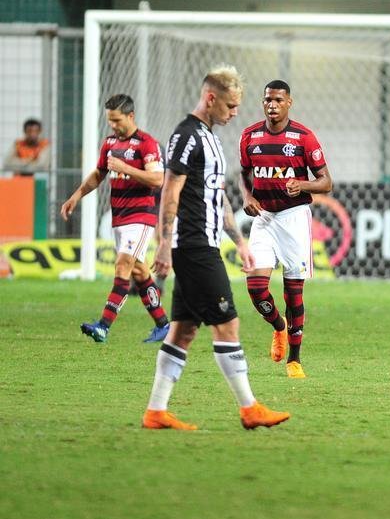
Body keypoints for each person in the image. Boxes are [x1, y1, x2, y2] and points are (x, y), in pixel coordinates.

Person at [143, 64, 289, 431]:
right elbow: (170, 191)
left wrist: (239, 241)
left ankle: (156, 411)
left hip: (205, 242)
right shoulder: (187, 135)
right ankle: (249, 408)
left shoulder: (210, 137)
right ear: (211, 98)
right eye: (229, 106)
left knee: (183, 331)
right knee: (228, 324)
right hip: (193, 246)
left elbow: (217, 196)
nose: (235, 112)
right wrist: (164, 243)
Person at [238, 80, 333, 379]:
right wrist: (247, 197)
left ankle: (295, 359)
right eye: (268, 99)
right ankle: (278, 326)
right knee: (255, 287)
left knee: (294, 293)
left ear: (289, 102)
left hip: (294, 218)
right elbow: (243, 172)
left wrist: (302, 184)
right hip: (264, 218)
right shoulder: (250, 136)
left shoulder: (304, 137)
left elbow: (326, 182)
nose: (272, 104)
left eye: (278, 100)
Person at [60, 94, 169, 344]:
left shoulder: (147, 144)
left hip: (140, 217)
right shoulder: (110, 143)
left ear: (130, 116)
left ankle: (103, 326)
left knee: (122, 266)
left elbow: (157, 179)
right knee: (139, 272)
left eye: (117, 120)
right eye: (110, 120)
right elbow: (99, 174)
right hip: (119, 217)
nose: (113, 125)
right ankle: (164, 325)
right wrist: (76, 196)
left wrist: (126, 168)